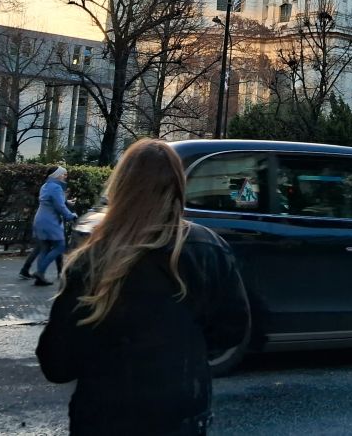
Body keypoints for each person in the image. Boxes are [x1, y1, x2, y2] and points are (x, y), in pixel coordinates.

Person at [36, 139, 250, 436]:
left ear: (120, 186)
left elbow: (56, 363)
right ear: (178, 186)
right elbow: (232, 329)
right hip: (180, 415)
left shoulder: (93, 259)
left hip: (103, 416)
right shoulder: (208, 249)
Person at [32, 166, 77, 286]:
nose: (65, 176)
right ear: (57, 175)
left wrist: (66, 201)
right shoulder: (56, 187)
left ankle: (39, 277)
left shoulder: (45, 186)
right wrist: (71, 215)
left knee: (45, 248)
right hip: (50, 220)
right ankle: (40, 272)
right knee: (60, 246)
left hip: (40, 219)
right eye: (63, 174)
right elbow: (59, 207)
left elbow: (50, 200)